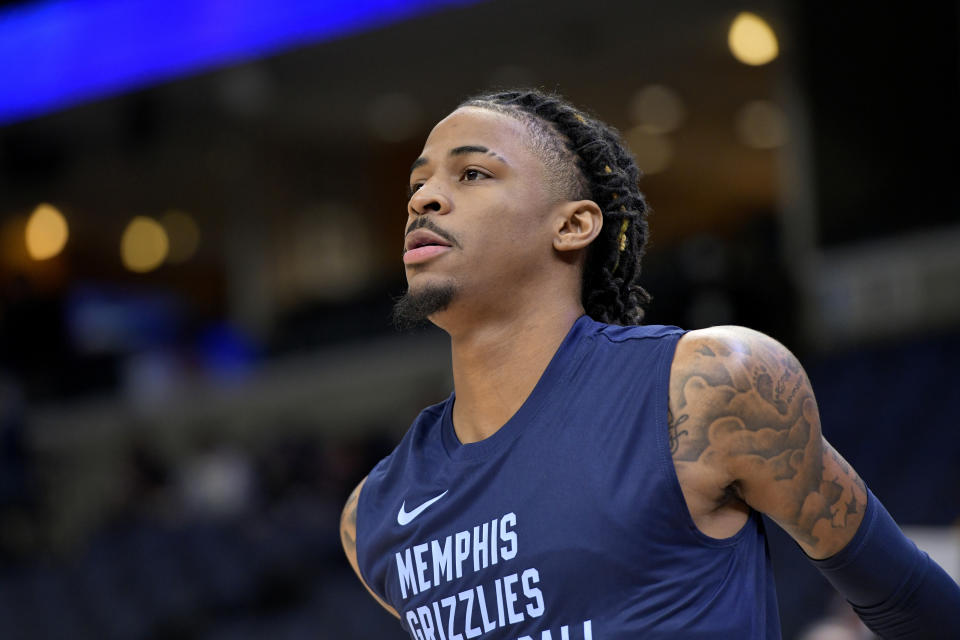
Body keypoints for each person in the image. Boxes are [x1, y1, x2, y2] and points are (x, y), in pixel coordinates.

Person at [339, 89, 960, 639]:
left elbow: (907, 600)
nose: (425, 199)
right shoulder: (371, 516)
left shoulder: (709, 386)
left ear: (574, 225)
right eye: (416, 184)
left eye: (472, 173)